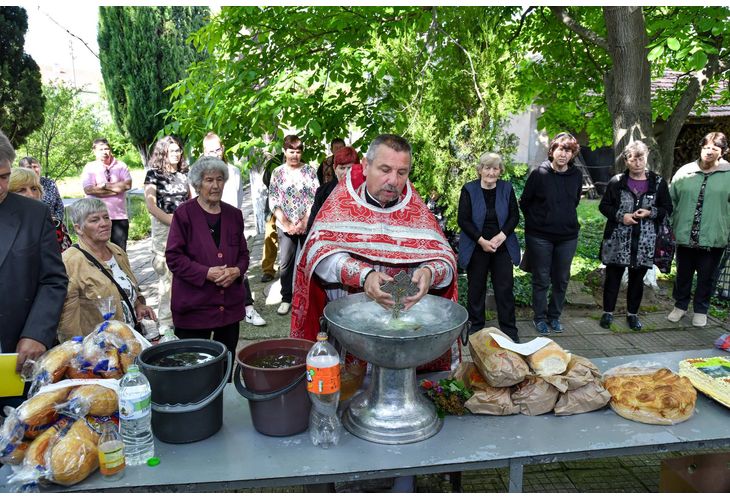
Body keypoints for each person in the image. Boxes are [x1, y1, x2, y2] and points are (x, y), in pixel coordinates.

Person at [291, 134, 457, 373]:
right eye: (385, 169)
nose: (393, 180)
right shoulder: (341, 204)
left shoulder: (415, 210)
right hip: (349, 336)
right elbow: (317, 256)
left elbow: (446, 261)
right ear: (366, 167)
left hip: (403, 335)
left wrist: (430, 272)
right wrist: (364, 276)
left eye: (402, 172)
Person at [0, 129, 67, 393]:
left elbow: (53, 279)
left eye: (4, 177)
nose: (0, 186)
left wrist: (36, 332)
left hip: (18, 358)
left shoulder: (33, 214)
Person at [165, 156, 250, 357]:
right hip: (194, 310)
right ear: (197, 184)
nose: (215, 185)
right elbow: (174, 257)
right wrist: (206, 273)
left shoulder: (234, 215)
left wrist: (236, 271)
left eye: (219, 179)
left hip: (228, 310)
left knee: (225, 367)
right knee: (193, 370)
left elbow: (244, 254)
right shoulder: (184, 214)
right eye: (209, 180)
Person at [598, 141, 673, 331]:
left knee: (637, 279)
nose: (637, 163)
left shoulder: (658, 183)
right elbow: (604, 206)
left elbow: (667, 208)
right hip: (618, 238)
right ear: (626, 160)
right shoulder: (617, 181)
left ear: (646, 158)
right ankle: (608, 313)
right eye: (633, 159)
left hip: (645, 241)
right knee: (613, 277)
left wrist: (650, 213)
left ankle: (633, 314)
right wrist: (621, 216)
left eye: (641, 158)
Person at [58, 198, 156, 341]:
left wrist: (138, 304)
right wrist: (78, 352)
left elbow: (125, 286)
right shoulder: (70, 262)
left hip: (130, 340)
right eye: (94, 220)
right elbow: (67, 321)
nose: (104, 223)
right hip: (99, 351)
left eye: (106, 217)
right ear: (78, 228)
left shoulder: (116, 251)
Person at [519, 132, 583, 335]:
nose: (564, 154)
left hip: (567, 237)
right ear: (553, 151)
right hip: (540, 237)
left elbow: (574, 201)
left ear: (572, 154)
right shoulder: (539, 174)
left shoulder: (576, 175)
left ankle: (554, 317)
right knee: (541, 278)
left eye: (569, 151)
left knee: (562, 278)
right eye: (560, 149)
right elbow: (525, 202)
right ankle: (539, 318)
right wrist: (537, 223)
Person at [203, 132, 266, 327]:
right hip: (207, 229)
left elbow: (237, 202)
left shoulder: (234, 172)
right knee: (214, 271)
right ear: (204, 152)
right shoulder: (199, 174)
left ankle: (247, 307)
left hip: (230, 226)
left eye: (218, 149)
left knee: (239, 267)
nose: (215, 153)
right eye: (210, 150)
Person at [667, 131, 730, 327]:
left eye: (714, 148)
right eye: (706, 147)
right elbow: (671, 200)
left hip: (714, 235)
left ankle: (701, 310)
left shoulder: (729, 174)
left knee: (707, 276)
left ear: (723, 152)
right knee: (683, 274)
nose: (709, 152)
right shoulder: (685, 171)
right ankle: (680, 306)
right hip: (685, 234)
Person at [457, 152, 521, 341]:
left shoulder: (506, 188)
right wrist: (482, 241)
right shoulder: (469, 189)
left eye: (495, 168)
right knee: (476, 289)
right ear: (480, 170)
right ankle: (476, 328)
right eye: (487, 168)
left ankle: (509, 331)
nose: (491, 172)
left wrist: (501, 236)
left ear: (500, 171)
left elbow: (514, 216)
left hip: (502, 246)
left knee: (505, 288)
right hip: (478, 246)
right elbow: (463, 220)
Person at [268, 134, 319, 315]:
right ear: (285, 151)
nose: (295, 155)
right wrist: (287, 223)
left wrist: (304, 221)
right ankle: (286, 298)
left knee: (309, 261)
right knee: (285, 264)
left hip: (306, 224)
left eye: (298, 152)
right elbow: (273, 200)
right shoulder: (278, 173)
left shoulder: (310, 171)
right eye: (291, 151)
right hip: (285, 225)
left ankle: (308, 297)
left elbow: (314, 198)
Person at [144, 135, 191, 329]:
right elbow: (151, 206)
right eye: (172, 151)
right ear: (163, 152)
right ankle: (165, 321)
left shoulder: (183, 175)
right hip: (164, 227)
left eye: (178, 150)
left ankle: (184, 314)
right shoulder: (154, 174)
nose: (177, 154)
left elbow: (190, 201)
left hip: (185, 228)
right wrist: (174, 221)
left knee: (186, 271)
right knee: (167, 274)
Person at [81, 139, 132, 250]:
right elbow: (88, 190)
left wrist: (103, 186)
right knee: (97, 251)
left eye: (107, 149)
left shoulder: (121, 165)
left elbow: (127, 185)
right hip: (95, 217)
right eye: (101, 149)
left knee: (120, 251)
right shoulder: (89, 167)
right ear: (94, 151)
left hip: (119, 216)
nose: (104, 152)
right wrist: (116, 189)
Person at [8, 168, 72, 252]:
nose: (30, 195)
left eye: (34, 189)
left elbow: (65, 260)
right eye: (21, 190)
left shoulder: (54, 225)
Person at [306, 145, 359, 233]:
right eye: (342, 168)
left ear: (358, 168)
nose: (346, 173)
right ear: (334, 168)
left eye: (350, 168)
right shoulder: (322, 192)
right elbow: (311, 226)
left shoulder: (367, 191)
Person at [18, 156, 65, 221]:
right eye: (29, 167)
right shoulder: (18, 186)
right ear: (21, 170)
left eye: (35, 167)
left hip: (51, 225)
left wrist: (56, 221)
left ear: (40, 168)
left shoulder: (50, 183)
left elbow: (59, 206)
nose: (33, 170)